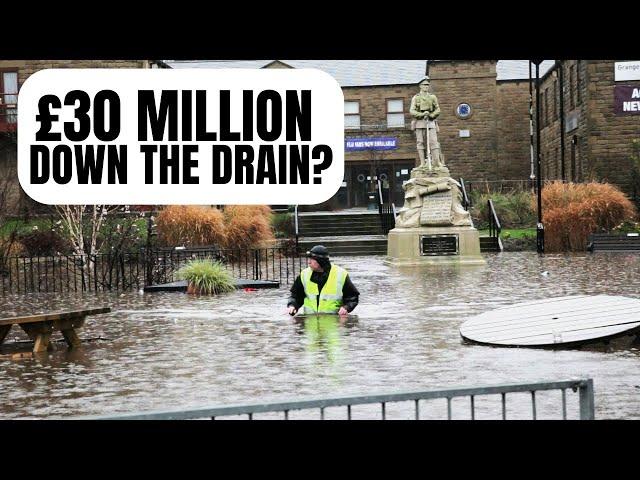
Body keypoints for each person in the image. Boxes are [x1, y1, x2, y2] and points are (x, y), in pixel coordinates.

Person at [287, 245, 359, 316]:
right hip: (310, 323)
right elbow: (296, 296)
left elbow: (352, 297)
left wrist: (346, 307)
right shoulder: (304, 274)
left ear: (321, 261)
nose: (309, 262)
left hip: (334, 322)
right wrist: (292, 306)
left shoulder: (341, 274)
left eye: (312, 259)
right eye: (308, 259)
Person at [410, 76, 443, 169]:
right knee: (420, 142)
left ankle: (436, 162)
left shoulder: (432, 97)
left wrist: (431, 115)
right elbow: (412, 111)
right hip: (420, 122)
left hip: (430, 121)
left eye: (427, 85)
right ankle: (422, 163)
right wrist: (421, 114)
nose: (426, 86)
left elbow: (438, 109)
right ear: (420, 86)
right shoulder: (416, 98)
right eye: (424, 85)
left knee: (433, 141)